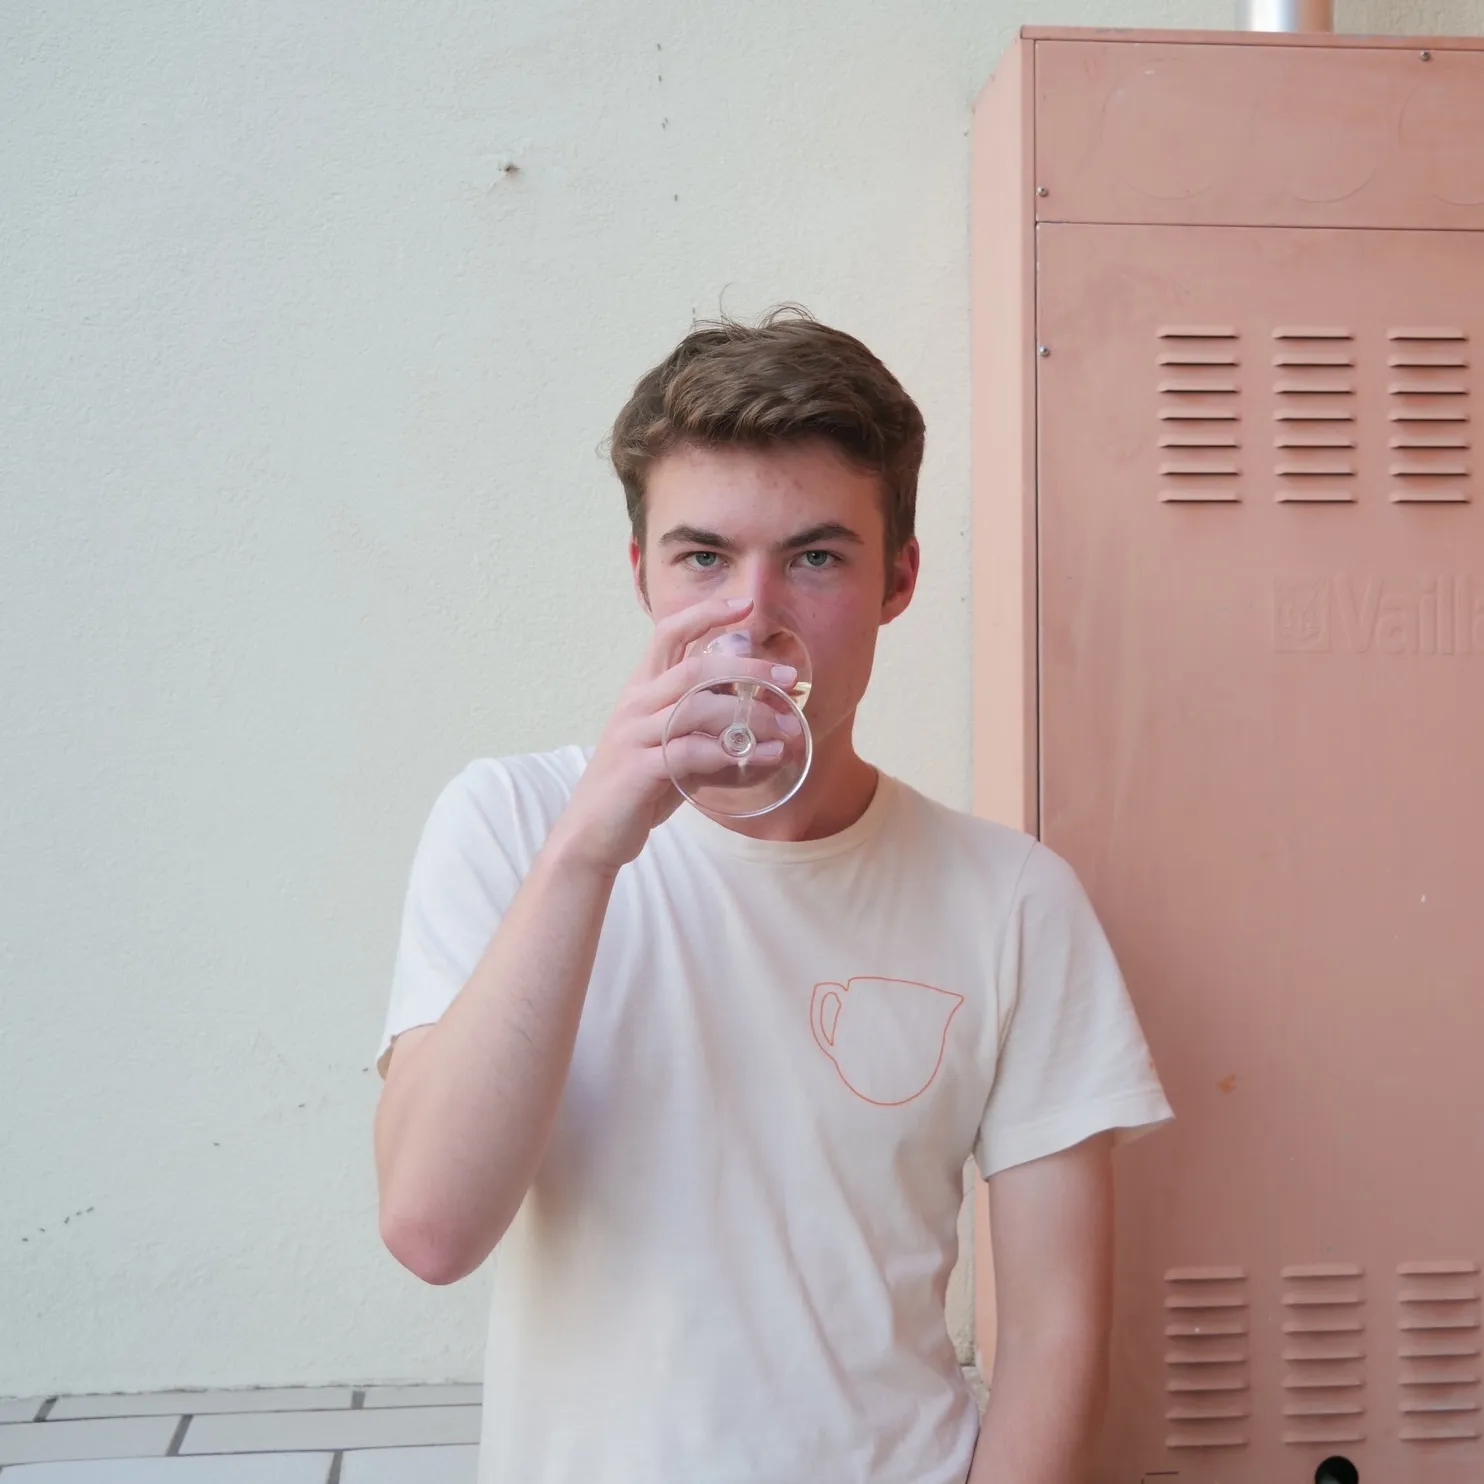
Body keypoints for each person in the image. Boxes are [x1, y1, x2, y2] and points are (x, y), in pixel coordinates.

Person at [372, 308, 1173, 1484]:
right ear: (640, 571)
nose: (752, 616)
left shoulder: (1012, 899)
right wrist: (591, 846)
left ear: (896, 578)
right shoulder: (508, 825)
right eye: (701, 556)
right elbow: (433, 1229)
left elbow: (1055, 1335)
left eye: (813, 555)